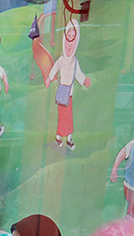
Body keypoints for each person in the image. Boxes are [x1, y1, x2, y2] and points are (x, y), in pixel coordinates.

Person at [45, 19, 91, 150]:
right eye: (68, 36)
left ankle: (69, 138)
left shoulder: (74, 61)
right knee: (63, 117)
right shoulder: (61, 60)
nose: (70, 41)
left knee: (69, 117)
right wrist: (49, 78)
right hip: (62, 93)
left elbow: (78, 74)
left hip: (69, 94)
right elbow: (54, 68)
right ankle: (59, 136)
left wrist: (84, 80)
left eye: (73, 37)